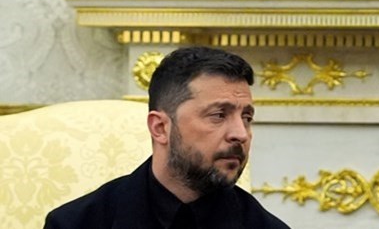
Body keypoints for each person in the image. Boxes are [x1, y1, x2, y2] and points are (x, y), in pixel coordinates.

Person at [44, 46, 290, 229]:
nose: (240, 134)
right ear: (160, 127)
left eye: (247, 117)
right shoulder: (75, 224)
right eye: (218, 115)